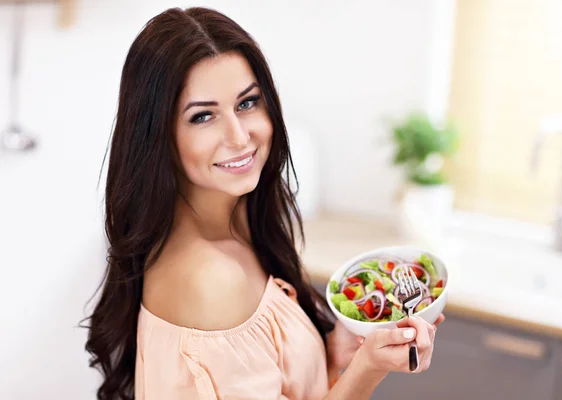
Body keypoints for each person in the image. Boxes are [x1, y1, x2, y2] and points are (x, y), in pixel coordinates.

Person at [83, 6, 444, 400]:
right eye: (203, 117)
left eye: (246, 103)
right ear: (158, 136)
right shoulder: (208, 278)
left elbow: (271, 378)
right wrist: (368, 368)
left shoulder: (238, 217)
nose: (239, 137)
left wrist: (336, 351)